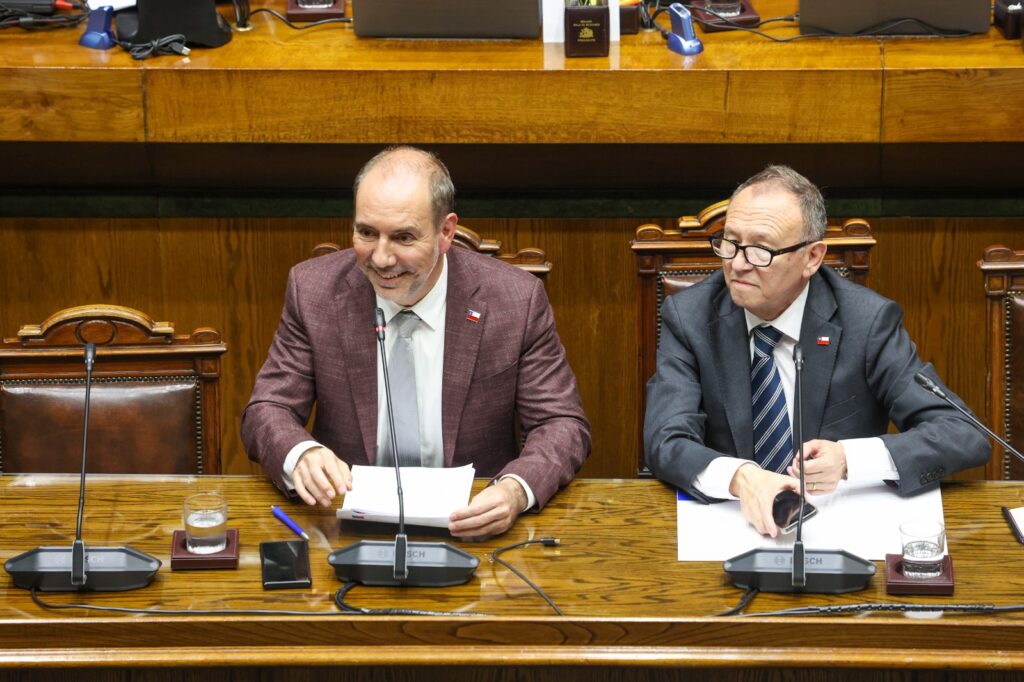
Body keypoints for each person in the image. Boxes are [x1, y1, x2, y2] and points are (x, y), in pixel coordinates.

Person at [242, 146, 590, 539]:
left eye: (403, 237)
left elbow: (560, 423)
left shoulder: (514, 300)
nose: (382, 258)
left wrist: (514, 490)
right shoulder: (314, 291)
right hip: (348, 524)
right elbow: (267, 409)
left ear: (446, 232)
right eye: (366, 233)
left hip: (473, 522)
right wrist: (300, 453)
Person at [643, 165, 990, 537]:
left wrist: (849, 460)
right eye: (729, 242)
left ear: (812, 257)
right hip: (725, 527)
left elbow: (961, 434)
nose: (738, 263)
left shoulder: (867, 322)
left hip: (840, 528)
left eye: (760, 249)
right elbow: (667, 438)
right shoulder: (690, 316)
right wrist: (742, 478)